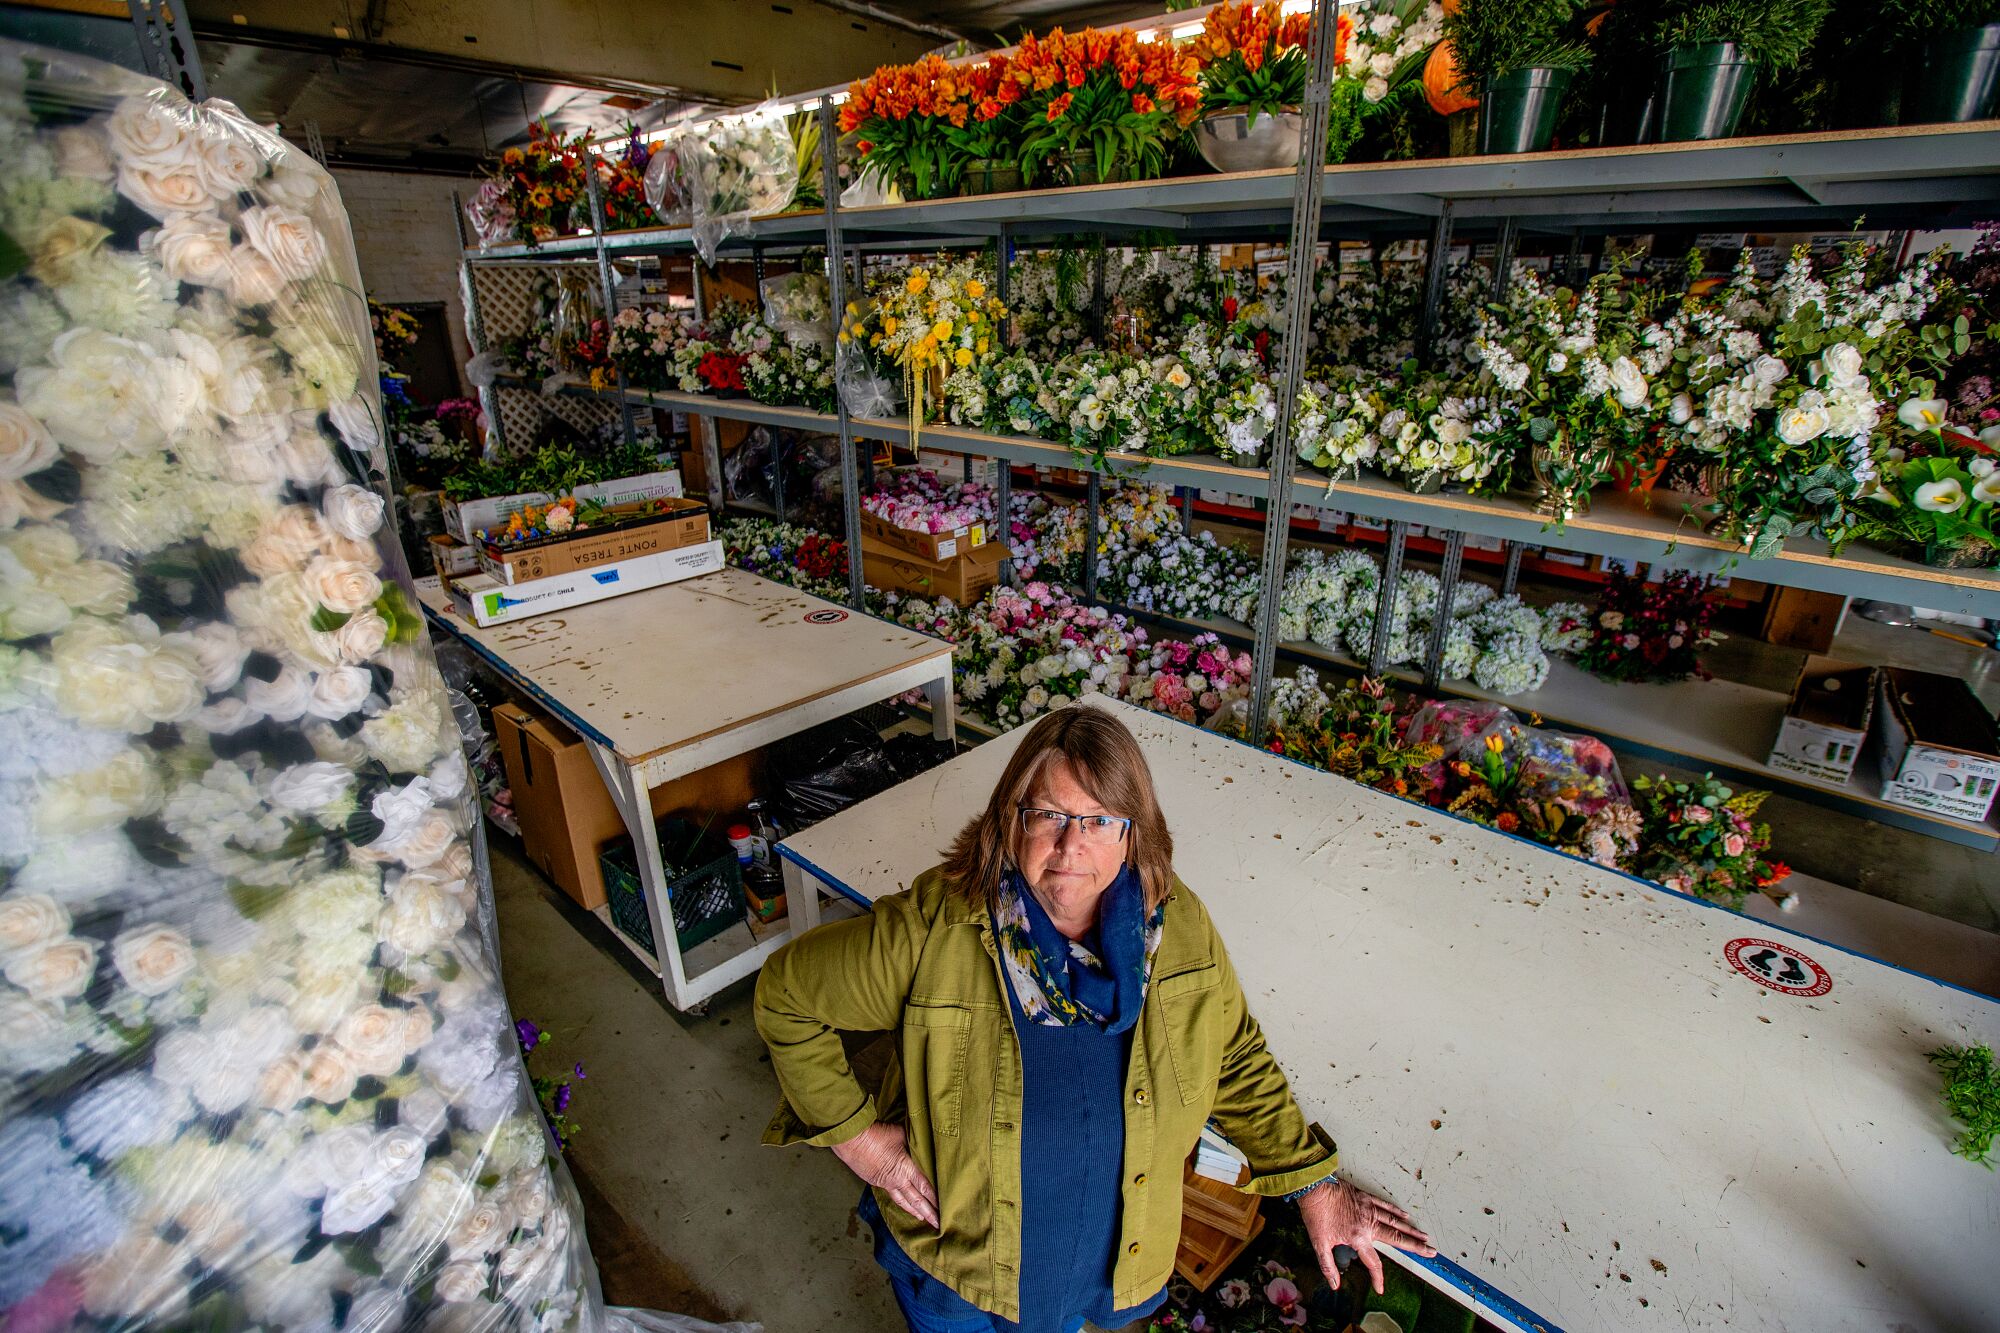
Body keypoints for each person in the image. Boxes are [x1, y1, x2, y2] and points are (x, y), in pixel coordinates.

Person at [755, 705, 1434, 1331]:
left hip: (1103, 1266)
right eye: (1048, 814)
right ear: (1010, 820)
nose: (1071, 845)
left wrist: (1311, 1180)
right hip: (958, 1268)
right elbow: (786, 997)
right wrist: (861, 1143)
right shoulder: (941, 927)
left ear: (1134, 832)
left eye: (1100, 819)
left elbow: (1230, 1053)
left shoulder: (1178, 929)